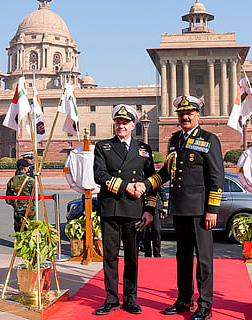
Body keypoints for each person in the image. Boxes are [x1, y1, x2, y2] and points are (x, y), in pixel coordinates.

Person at [144, 95, 224, 320]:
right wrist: (147, 184)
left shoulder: (209, 139)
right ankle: (184, 299)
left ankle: (205, 305)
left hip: (200, 211)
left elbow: (216, 176)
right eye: (181, 114)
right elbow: (167, 172)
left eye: (189, 113)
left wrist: (212, 210)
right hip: (180, 209)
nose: (185, 117)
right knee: (183, 257)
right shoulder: (175, 140)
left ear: (198, 115)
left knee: (204, 259)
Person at [93, 104, 157, 315]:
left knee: (132, 257)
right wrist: (124, 186)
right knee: (110, 257)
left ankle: (130, 299)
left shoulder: (144, 149)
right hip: (111, 208)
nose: (120, 126)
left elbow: (152, 182)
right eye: (117, 123)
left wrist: (149, 210)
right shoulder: (103, 147)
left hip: (133, 210)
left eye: (124, 123)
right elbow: (99, 176)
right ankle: (111, 299)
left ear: (133, 125)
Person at [6, 159, 35, 232]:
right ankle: (27, 243)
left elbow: (8, 198)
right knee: (30, 227)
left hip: (18, 207)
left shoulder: (12, 180)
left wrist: (15, 204)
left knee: (18, 227)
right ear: (25, 168)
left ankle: (19, 242)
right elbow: (37, 196)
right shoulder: (31, 181)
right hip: (29, 207)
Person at [143, 186, 168, 257]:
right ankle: (147, 253)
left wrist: (165, 206)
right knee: (145, 232)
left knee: (157, 231)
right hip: (143, 208)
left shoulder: (153, 176)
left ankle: (157, 253)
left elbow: (162, 192)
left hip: (155, 208)